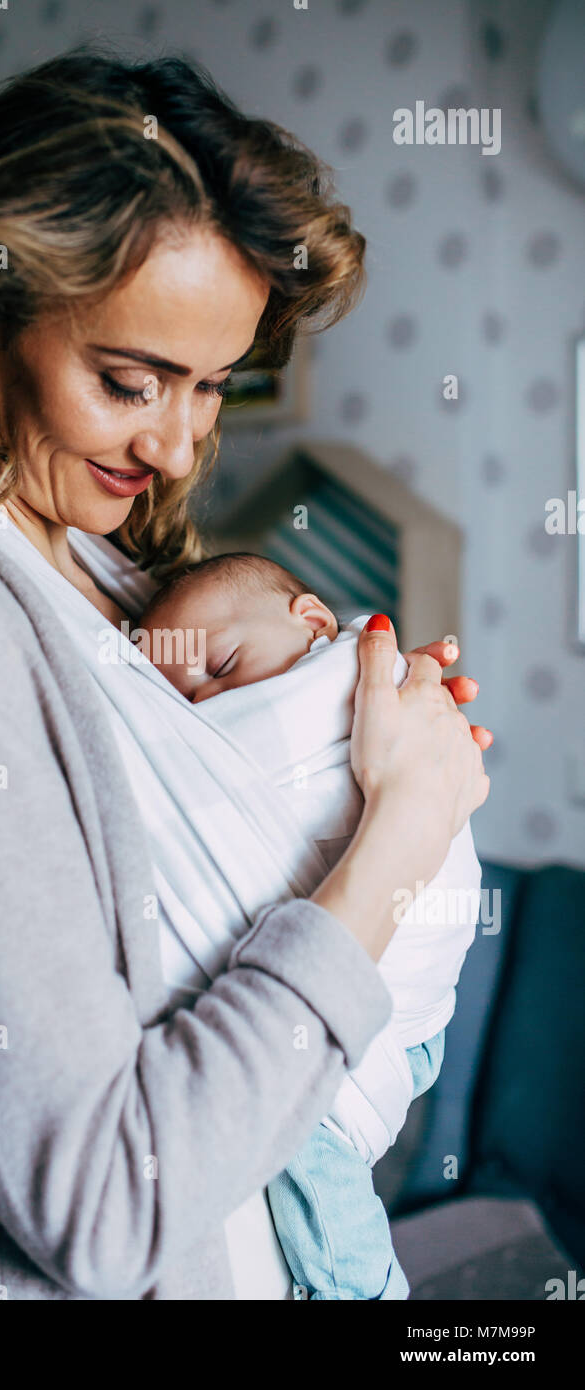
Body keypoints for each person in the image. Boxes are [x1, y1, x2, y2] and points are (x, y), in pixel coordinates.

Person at [0, 47, 490, 1300]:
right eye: (129, 381)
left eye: (210, 388)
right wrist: (401, 832)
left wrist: (355, 747)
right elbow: (105, 1206)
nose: (179, 443)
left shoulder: (99, 574)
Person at [134, 550, 481, 1298]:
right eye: (180, 701)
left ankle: (363, 1288)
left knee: (298, 1139)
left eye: (221, 663)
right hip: (388, 1016)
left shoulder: (348, 680)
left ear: (316, 624)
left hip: (403, 995)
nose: (206, 702)